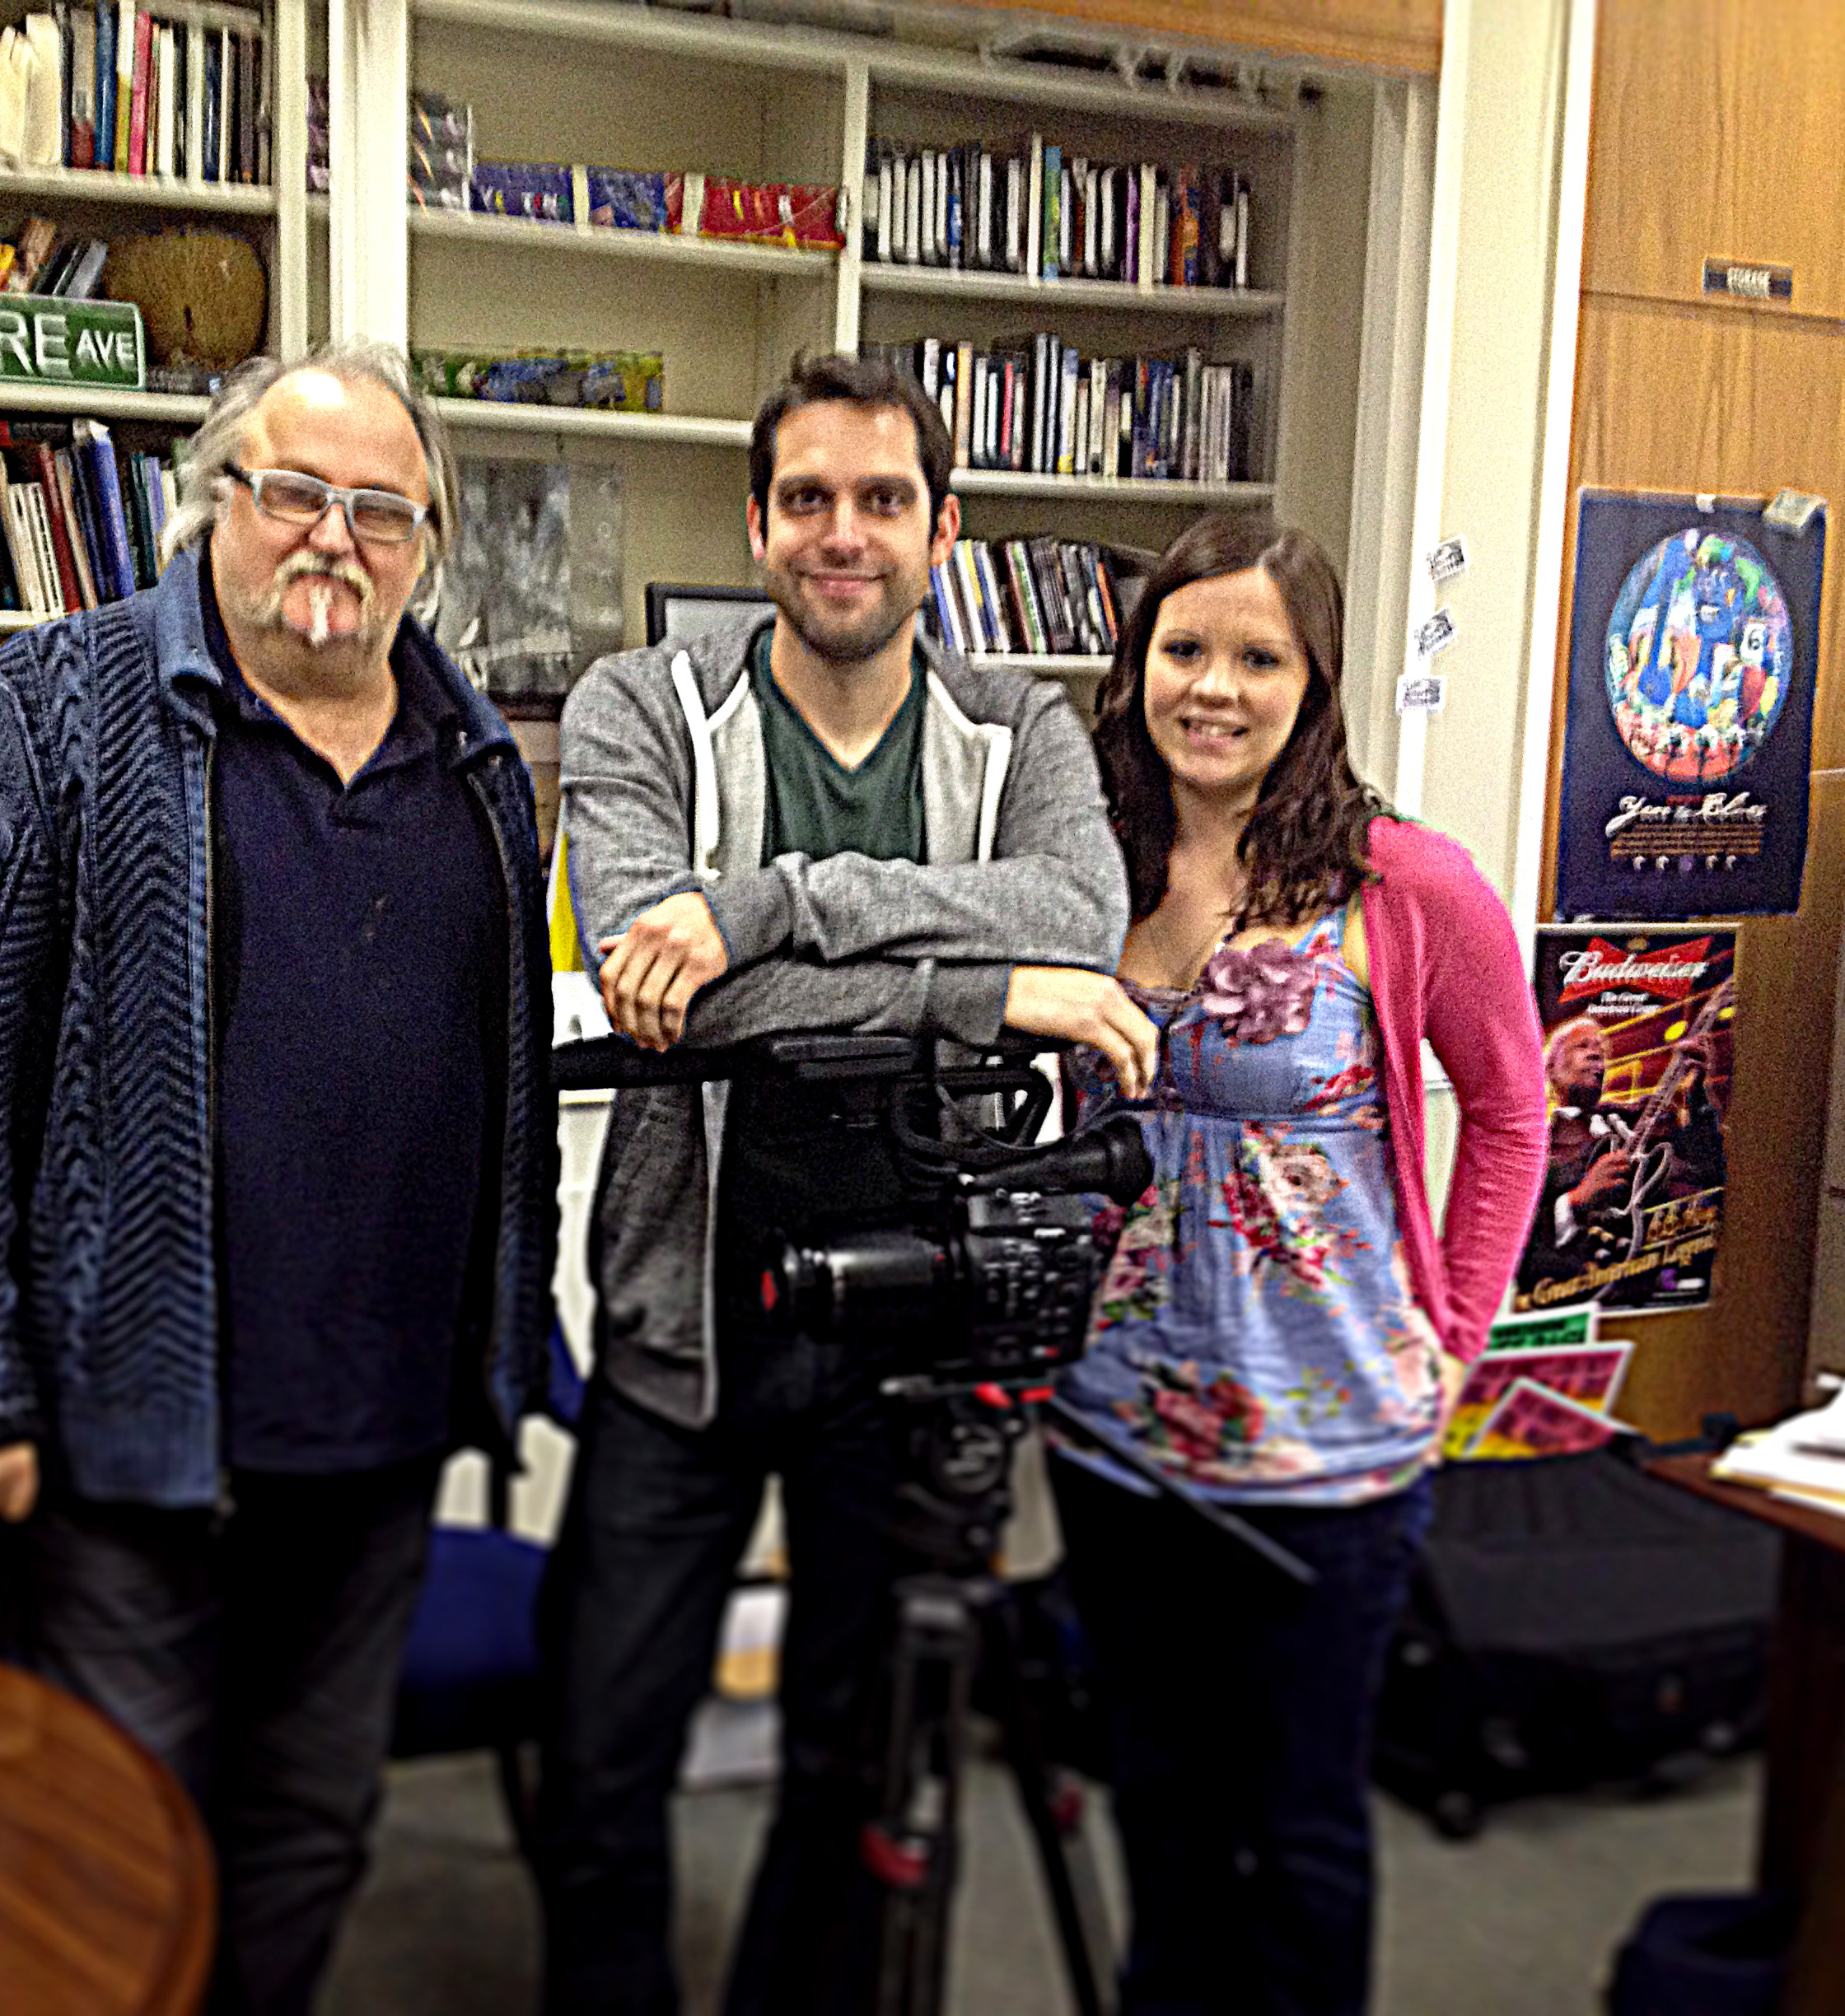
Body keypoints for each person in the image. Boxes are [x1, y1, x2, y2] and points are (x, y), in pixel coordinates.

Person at [0, 342, 557, 2016]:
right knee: (110, 1848)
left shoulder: (477, 769)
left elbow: (503, 1080)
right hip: (124, 1445)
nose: (335, 538)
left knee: (309, 1830)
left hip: (375, 1435)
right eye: (296, 491)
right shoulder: (55, 707)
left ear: (429, 543)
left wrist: (501, 1342)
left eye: (383, 509)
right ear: (214, 501)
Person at [538, 350, 1159, 2016]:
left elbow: (1076, 923)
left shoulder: (1018, 726)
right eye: (807, 498)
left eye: (883, 500)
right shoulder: (639, 708)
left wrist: (767, 905)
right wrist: (968, 989)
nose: (844, 534)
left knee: (854, 1765)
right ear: (756, 525)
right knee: (597, 1762)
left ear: (942, 530)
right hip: (688, 1327)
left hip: (907, 1344)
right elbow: (667, 994)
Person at [1051, 515, 1546, 2016]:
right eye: (1180, 649)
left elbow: (1514, 1110)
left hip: (1327, 1441)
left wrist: (1454, 1327)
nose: (1211, 686)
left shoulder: (1405, 885)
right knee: (1161, 1809)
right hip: (1115, 1432)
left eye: (1254, 656)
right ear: (1134, 666)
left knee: (1299, 1826)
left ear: (1311, 680)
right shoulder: (1081, 859)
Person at [1521, 1008, 1726, 1301]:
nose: (1596, 1056)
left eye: (1601, 1051)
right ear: (1551, 1068)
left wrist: (1698, 1091)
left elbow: (1704, 1163)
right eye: (1583, 1047)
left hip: (1671, 1271)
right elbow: (1519, 1238)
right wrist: (1577, 1199)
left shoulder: (1640, 1114)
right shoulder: (1537, 1146)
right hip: (1586, 1287)